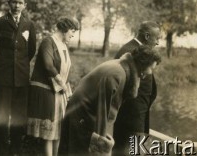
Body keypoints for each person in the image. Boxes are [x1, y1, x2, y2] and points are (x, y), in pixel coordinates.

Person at [58, 46, 161, 156]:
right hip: (81, 115)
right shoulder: (117, 75)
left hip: (82, 112)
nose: (150, 73)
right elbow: (106, 113)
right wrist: (104, 148)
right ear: (142, 64)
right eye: (151, 68)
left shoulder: (121, 67)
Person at [0, 0, 36, 155]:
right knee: (2, 118)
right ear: (8, 4)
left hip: (21, 79)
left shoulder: (29, 25)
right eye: (14, 2)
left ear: (25, 5)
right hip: (3, 78)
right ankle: (1, 151)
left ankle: (15, 150)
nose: (17, 6)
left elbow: (31, 50)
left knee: (18, 118)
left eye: (20, 3)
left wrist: (19, 66)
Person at [27, 17, 79, 156]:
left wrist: (67, 89)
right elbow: (48, 65)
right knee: (49, 133)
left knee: (57, 131)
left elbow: (64, 71)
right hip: (45, 90)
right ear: (65, 29)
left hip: (58, 91)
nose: (73, 35)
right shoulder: (48, 41)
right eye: (72, 31)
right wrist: (62, 83)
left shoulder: (63, 45)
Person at [113, 21, 161, 155]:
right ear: (146, 36)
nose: (157, 42)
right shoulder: (130, 51)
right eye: (157, 38)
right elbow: (125, 89)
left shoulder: (135, 50)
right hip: (131, 118)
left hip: (135, 116)